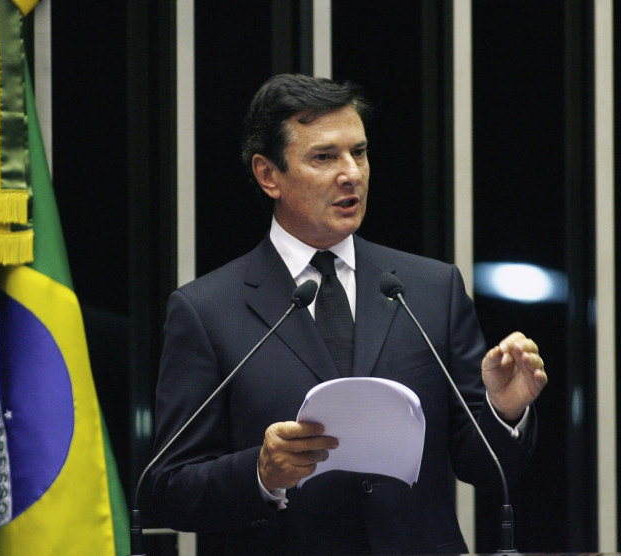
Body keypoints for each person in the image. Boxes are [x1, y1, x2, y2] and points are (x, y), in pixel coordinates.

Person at [151, 74, 548, 555]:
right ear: (268, 175)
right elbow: (168, 490)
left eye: (358, 152)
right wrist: (261, 471)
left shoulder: (428, 289)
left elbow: (485, 469)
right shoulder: (206, 310)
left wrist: (504, 410)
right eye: (324, 156)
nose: (352, 173)